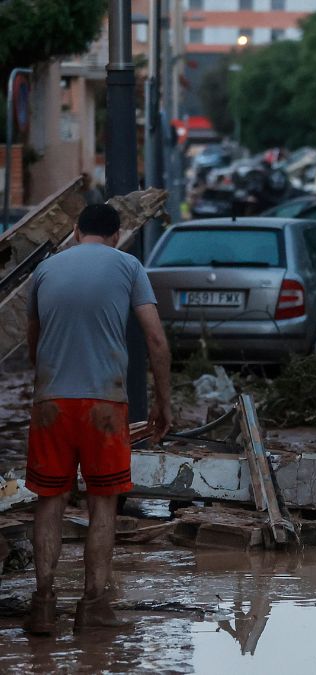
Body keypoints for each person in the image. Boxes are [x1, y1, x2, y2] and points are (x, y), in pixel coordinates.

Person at [23, 204, 172, 635]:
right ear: (117, 234)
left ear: (74, 231)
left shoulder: (46, 271)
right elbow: (156, 339)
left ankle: (44, 606)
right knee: (102, 503)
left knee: (48, 501)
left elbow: (34, 343)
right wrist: (163, 403)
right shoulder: (128, 266)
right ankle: (93, 607)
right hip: (106, 405)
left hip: (51, 401)